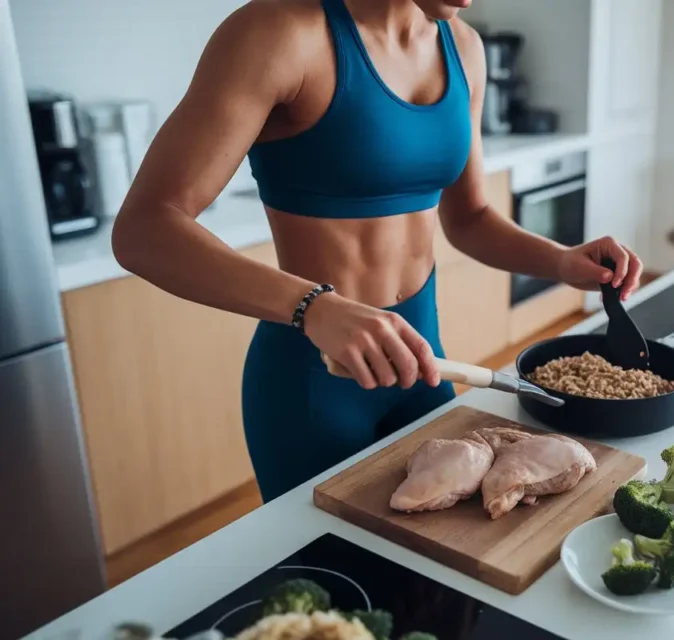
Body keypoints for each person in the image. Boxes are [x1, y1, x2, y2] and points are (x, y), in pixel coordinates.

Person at [111, 0, 644, 503]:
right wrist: (314, 305)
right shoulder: (279, 33)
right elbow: (145, 228)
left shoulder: (464, 48)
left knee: (437, 578)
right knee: (334, 588)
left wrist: (559, 260)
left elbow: (469, 218)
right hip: (313, 384)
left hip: (426, 363)